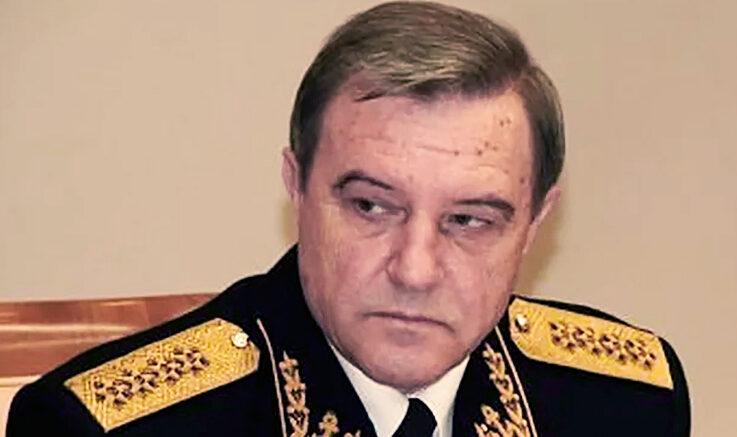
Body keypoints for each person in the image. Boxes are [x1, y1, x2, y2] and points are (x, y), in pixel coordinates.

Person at [6, 2, 690, 436]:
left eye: (469, 220)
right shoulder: (110, 428)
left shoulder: (623, 401)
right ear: (296, 188)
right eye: (371, 206)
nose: (414, 270)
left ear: (535, 224)